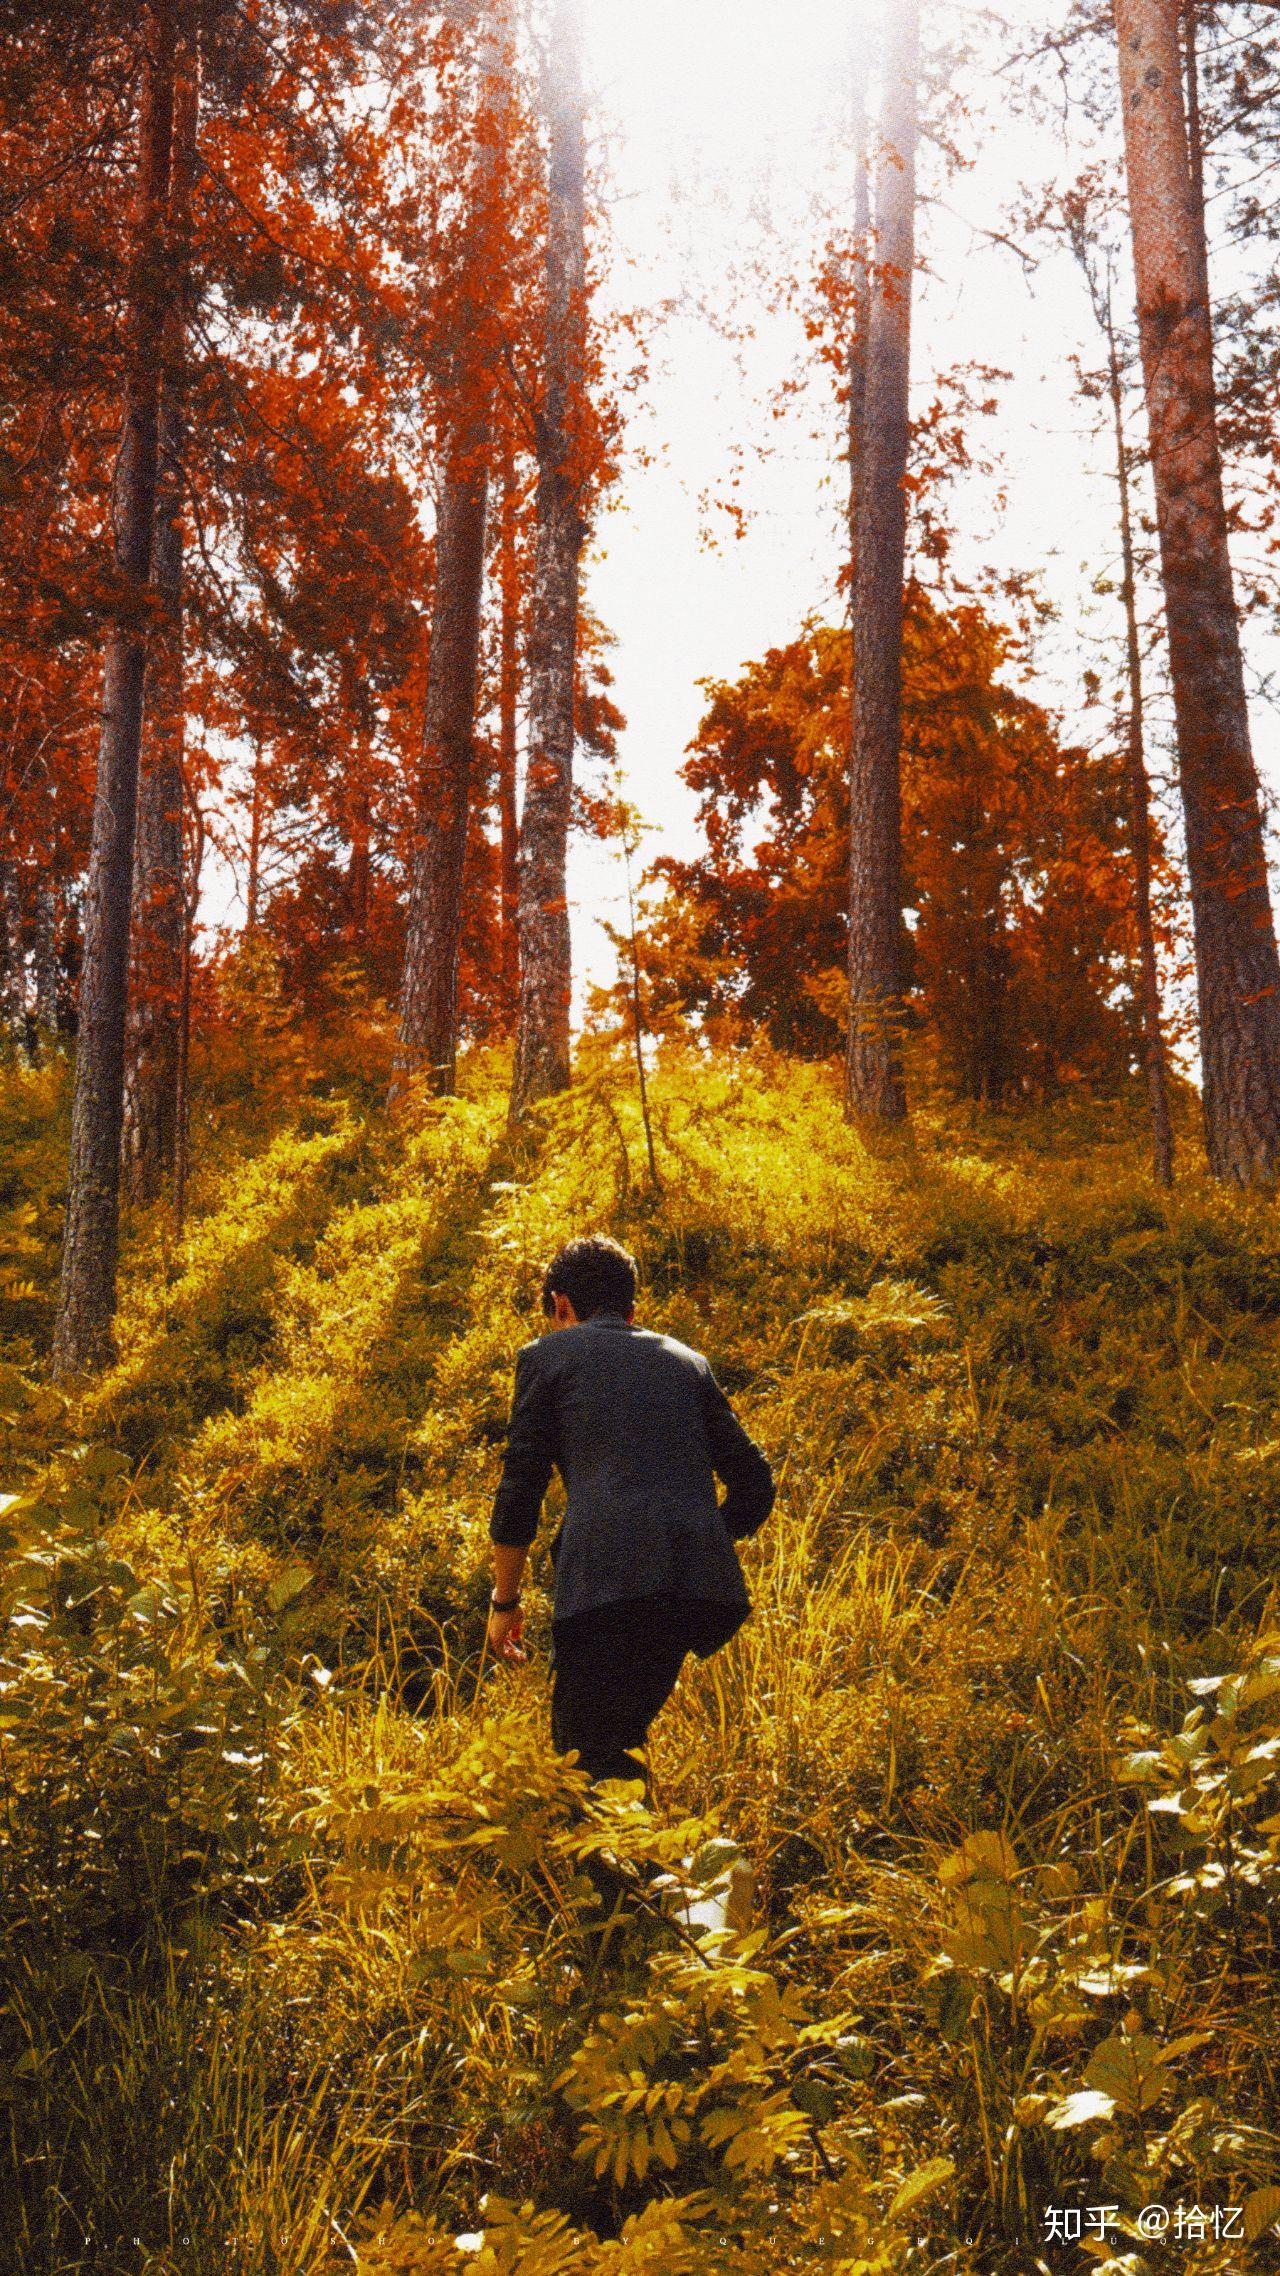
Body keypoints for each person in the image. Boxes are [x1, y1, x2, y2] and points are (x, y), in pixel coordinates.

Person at [488, 1233, 775, 1786]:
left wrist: (507, 1600)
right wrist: (698, 1539)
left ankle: (625, 1870)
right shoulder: (687, 1363)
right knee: (618, 1744)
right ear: (632, 1310)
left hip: (605, 1585)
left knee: (586, 1761)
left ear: (561, 1306)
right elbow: (756, 1483)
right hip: (693, 1592)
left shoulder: (547, 1358)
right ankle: (652, 1863)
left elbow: (520, 1488)